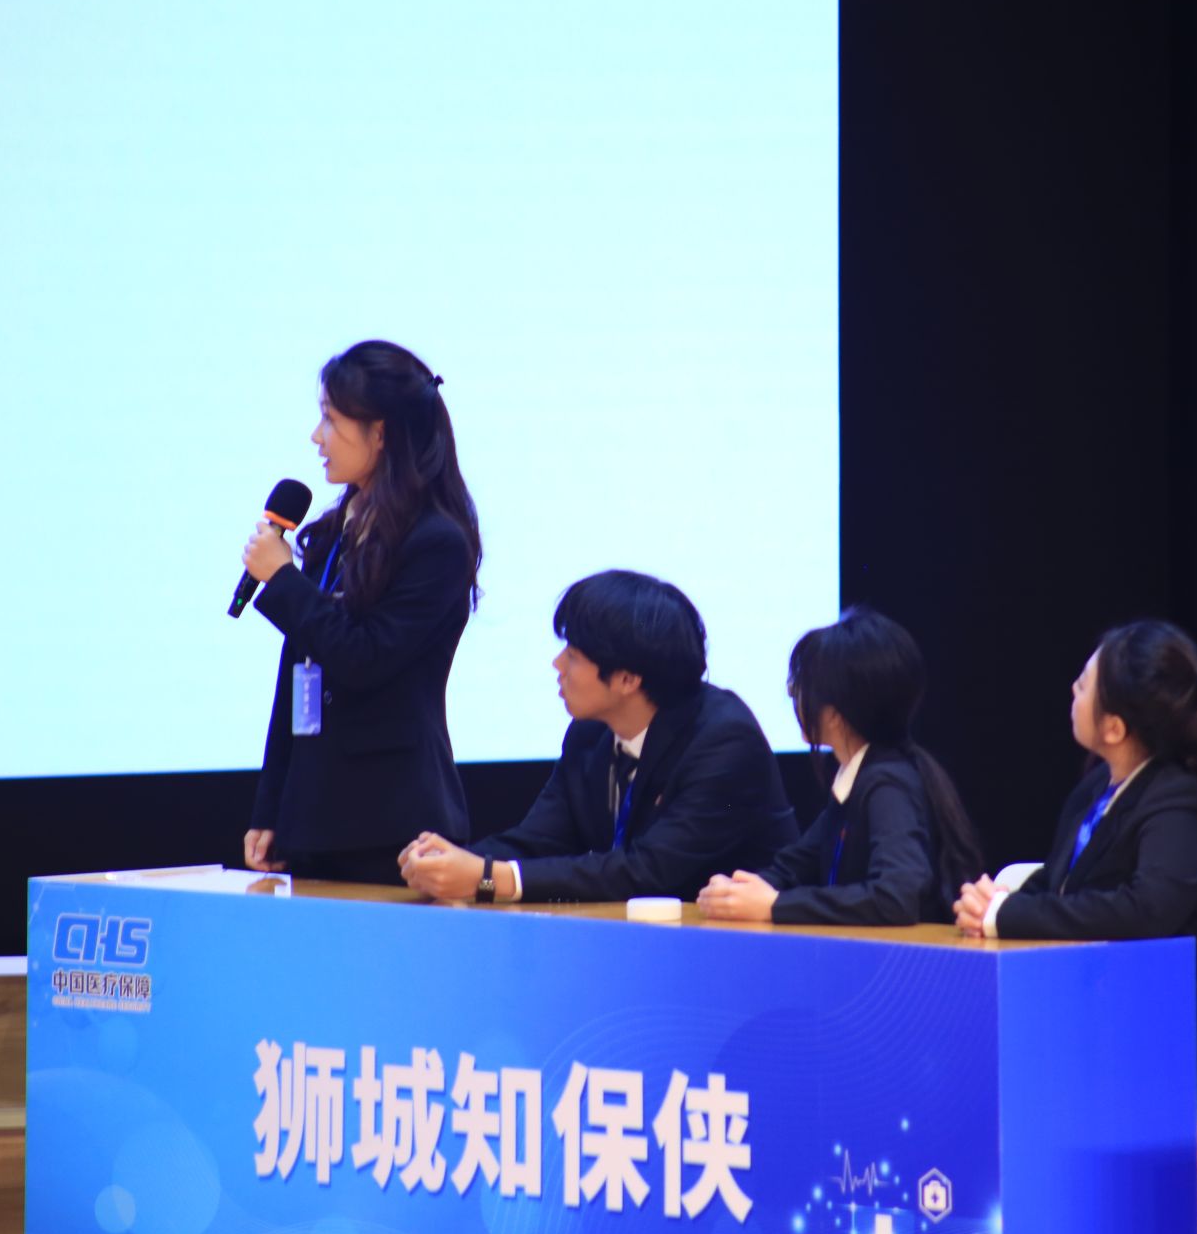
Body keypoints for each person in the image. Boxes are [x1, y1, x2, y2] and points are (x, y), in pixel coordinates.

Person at [954, 619, 1197, 1116]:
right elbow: (1059, 882)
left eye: (1083, 685)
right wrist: (992, 906)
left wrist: (1006, 917)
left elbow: (1145, 910)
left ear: (1114, 727)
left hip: (1166, 1051)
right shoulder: (1098, 787)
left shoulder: (1184, 802)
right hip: (1098, 1029)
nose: (1072, 691)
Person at [238, 340, 481, 883]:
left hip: (392, 824)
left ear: (381, 432)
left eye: (330, 418)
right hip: (312, 816)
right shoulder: (332, 532)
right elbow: (297, 675)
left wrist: (283, 579)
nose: (316, 436)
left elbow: (365, 658)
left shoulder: (436, 541)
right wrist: (270, 806)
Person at [399, 570, 796, 902]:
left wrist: (487, 878)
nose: (557, 664)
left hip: (743, 944)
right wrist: (452, 861)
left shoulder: (725, 741)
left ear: (627, 679)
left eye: (573, 655)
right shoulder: (590, 733)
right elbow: (538, 840)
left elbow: (648, 872)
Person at [698, 608, 982, 925]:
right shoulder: (858, 775)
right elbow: (795, 865)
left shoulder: (887, 785)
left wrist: (775, 906)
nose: (795, 700)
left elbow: (895, 897)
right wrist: (738, 891)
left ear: (834, 715)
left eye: (798, 689)